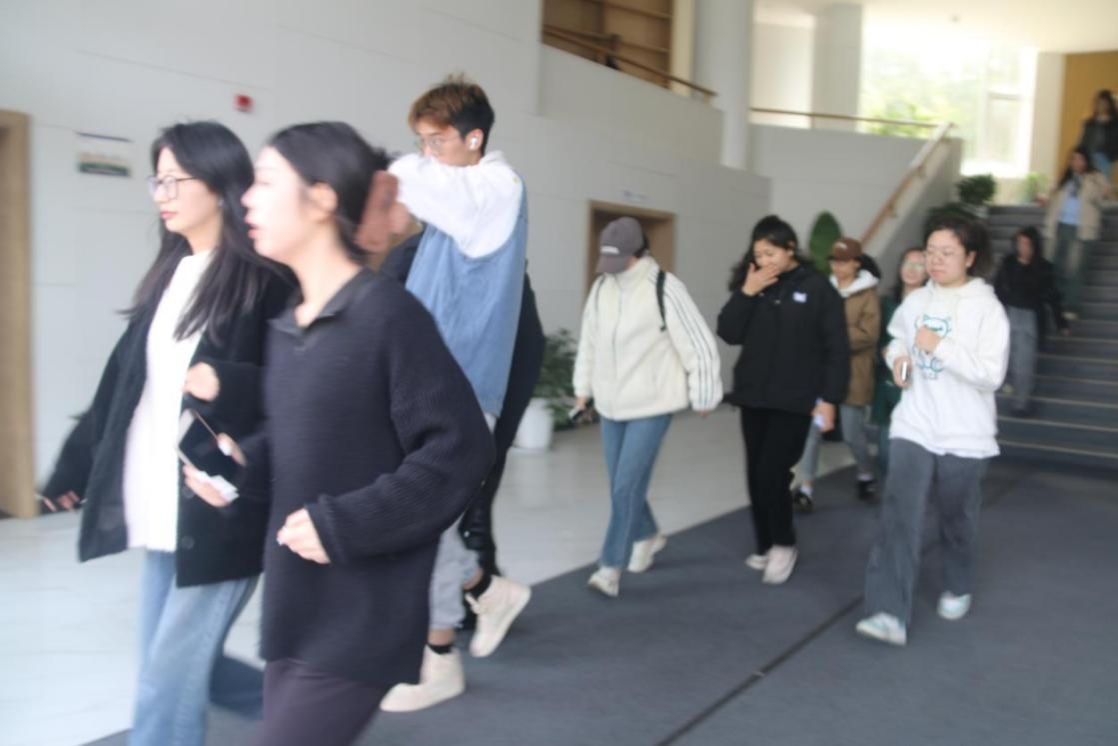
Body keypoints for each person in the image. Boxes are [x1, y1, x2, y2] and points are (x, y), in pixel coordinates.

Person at [187, 121, 495, 746]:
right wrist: (240, 465)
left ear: (322, 199)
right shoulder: (288, 324)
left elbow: (459, 449)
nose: (247, 199)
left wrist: (347, 524)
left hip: (363, 612)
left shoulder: (387, 315)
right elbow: (298, 442)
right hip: (295, 606)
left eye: (266, 182)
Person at [40, 121, 291, 746]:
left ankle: (311, 712)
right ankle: (311, 712)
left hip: (221, 505)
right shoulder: (170, 276)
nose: (163, 193)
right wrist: (73, 466)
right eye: (158, 180)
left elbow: (301, 388)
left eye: (177, 180)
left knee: (164, 681)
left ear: (222, 185)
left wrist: (228, 383)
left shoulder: (265, 281)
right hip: (164, 505)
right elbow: (122, 389)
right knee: (176, 667)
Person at [378, 74, 533, 712]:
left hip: (461, 387)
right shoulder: (461, 195)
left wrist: (403, 166)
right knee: (414, 514)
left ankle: (440, 658)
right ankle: (485, 589)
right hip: (430, 380)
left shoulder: (498, 188)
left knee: (421, 519)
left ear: (475, 139)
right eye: (421, 141)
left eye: (437, 140)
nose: (427, 153)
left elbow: (405, 179)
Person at [857, 215, 1009, 647]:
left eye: (947, 253)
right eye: (931, 252)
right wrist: (899, 361)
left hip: (965, 433)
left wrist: (939, 346)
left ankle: (957, 583)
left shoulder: (987, 309)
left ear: (970, 257)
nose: (936, 261)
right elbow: (896, 341)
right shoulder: (916, 301)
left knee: (956, 518)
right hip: (915, 423)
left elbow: (991, 375)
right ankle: (888, 611)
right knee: (899, 515)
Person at [378, 233, 546, 580]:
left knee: (462, 483)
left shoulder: (420, 254)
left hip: (484, 379)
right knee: (472, 481)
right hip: (485, 378)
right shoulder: (485, 255)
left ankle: (477, 575)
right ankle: (479, 575)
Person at [572, 217, 723, 597]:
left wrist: (704, 392)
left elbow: (698, 343)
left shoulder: (665, 287)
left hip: (653, 404)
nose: (610, 268)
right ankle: (648, 534)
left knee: (626, 486)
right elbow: (589, 341)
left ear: (637, 254)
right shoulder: (602, 288)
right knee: (620, 484)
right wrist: (582, 389)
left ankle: (609, 567)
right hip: (611, 403)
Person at [716, 215, 849, 585]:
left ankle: (784, 544)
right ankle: (764, 543)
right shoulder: (754, 283)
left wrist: (829, 399)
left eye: (770, 252)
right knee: (755, 473)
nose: (764, 260)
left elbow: (837, 349)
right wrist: (748, 291)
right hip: (753, 396)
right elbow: (728, 332)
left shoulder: (817, 288)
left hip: (794, 399)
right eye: (758, 254)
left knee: (772, 472)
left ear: (790, 249)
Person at [792, 237, 881, 512]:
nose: (838, 267)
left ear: (856, 263)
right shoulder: (824, 289)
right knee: (813, 432)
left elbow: (869, 335)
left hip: (854, 375)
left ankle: (865, 474)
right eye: (834, 261)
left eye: (844, 262)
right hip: (824, 373)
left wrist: (832, 334)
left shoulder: (868, 295)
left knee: (853, 434)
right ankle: (806, 488)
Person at [994, 227, 1069, 416]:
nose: (1022, 247)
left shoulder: (1043, 267)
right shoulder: (1008, 263)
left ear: (1034, 245)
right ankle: (1013, 385)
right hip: (1007, 313)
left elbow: (1053, 296)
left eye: (1026, 243)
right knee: (1006, 356)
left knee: (1024, 361)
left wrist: (1061, 322)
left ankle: (1021, 403)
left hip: (1030, 317)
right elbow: (997, 288)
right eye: (1019, 243)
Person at [870, 247, 927, 476]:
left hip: (919, 381)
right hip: (888, 378)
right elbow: (875, 338)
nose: (912, 270)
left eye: (919, 265)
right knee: (886, 443)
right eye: (907, 263)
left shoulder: (932, 304)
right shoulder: (886, 302)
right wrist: (883, 353)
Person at [1044, 146, 1111, 315]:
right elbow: (1054, 199)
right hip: (1061, 226)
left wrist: (1090, 184)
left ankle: (1071, 305)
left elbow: (1103, 198)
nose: (1076, 162)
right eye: (1073, 159)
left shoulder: (1096, 178)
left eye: (1080, 159)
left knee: (1075, 268)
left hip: (1082, 228)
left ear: (1086, 161)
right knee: (1057, 265)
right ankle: (1056, 302)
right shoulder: (1065, 179)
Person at [1077, 89, 1118, 183]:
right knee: (1085, 184)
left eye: (1103, 103)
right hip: (1088, 158)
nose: (1100, 105)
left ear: (1109, 104)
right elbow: (1082, 142)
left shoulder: (1114, 124)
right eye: (1098, 102)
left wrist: (1110, 156)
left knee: (1101, 185)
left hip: (1104, 160)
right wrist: (1080, 157)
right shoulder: (1089, 123)